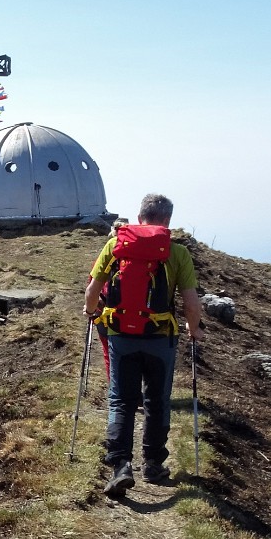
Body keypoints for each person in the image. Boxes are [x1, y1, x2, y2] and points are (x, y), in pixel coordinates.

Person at [82, 194, 203, 495]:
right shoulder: (177, 254)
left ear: (140, 217)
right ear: (167, 221)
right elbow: (191, 302)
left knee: (121, 399)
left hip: (121, 335)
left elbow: (92, 290)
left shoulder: (115, 246)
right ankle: (153, 464)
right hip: (160, 338)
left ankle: (120, 465)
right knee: (157, 400)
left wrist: (90, 310)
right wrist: (195, 328)